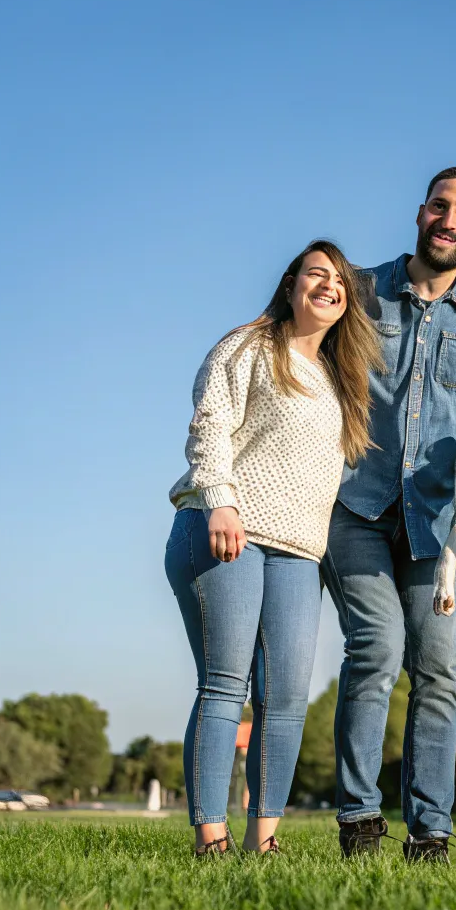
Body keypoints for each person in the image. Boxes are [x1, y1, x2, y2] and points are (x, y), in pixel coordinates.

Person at [165, 240, 381, 856]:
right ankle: (212, 837)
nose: (330, 286)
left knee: (284, 698)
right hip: (225, 530)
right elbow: (210, 422)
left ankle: (266, 842)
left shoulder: (341, 381)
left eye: (340, 281)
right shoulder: (251, 345)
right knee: (225, 686)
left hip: (298, 552)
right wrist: (220, 501)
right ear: (290, 285)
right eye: (317, 274)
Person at [321, 167, 456, 862]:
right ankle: (359, 823)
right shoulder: (361, 292)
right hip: (356, 506)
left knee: (438, 669)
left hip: (438, 528)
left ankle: (430, 833)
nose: (449, 220)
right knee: (375, 650)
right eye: (441, 206)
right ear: (421, 212)